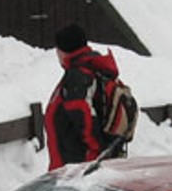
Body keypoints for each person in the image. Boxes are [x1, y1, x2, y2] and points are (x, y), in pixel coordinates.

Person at [44, 23, 125, 168]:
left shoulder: (78, 76)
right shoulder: (93, 69)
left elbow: (82, 114)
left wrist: (94, 155)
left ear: (64, 50)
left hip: (77, 168)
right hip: (84, 164)